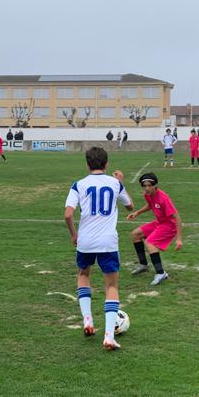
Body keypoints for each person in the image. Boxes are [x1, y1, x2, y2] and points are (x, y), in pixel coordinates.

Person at [64, 146, 135, 350]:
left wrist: (74, 235)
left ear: (87, 164)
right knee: (111, 286)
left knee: (83, 275)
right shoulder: (115, 183)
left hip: (85, 241)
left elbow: (68, 214)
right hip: (107, 242)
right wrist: (119, 182)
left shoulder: (78, 185)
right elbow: (130, 206)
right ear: (107, 164)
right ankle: (109, 336)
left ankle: (87, 320)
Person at [127, 172, 182, 286]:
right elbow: (150, 205)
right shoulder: (147, 194)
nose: (147, 188)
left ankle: (161, 273)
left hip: (169, 226)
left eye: (149, 185)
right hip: (159, 223)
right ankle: (143, 265)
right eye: (144, 186)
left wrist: (179, 239)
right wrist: (137, 213)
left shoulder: (163, 198)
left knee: (150, 243)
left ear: (155, 185)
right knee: (135, 234)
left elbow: (177, 217)